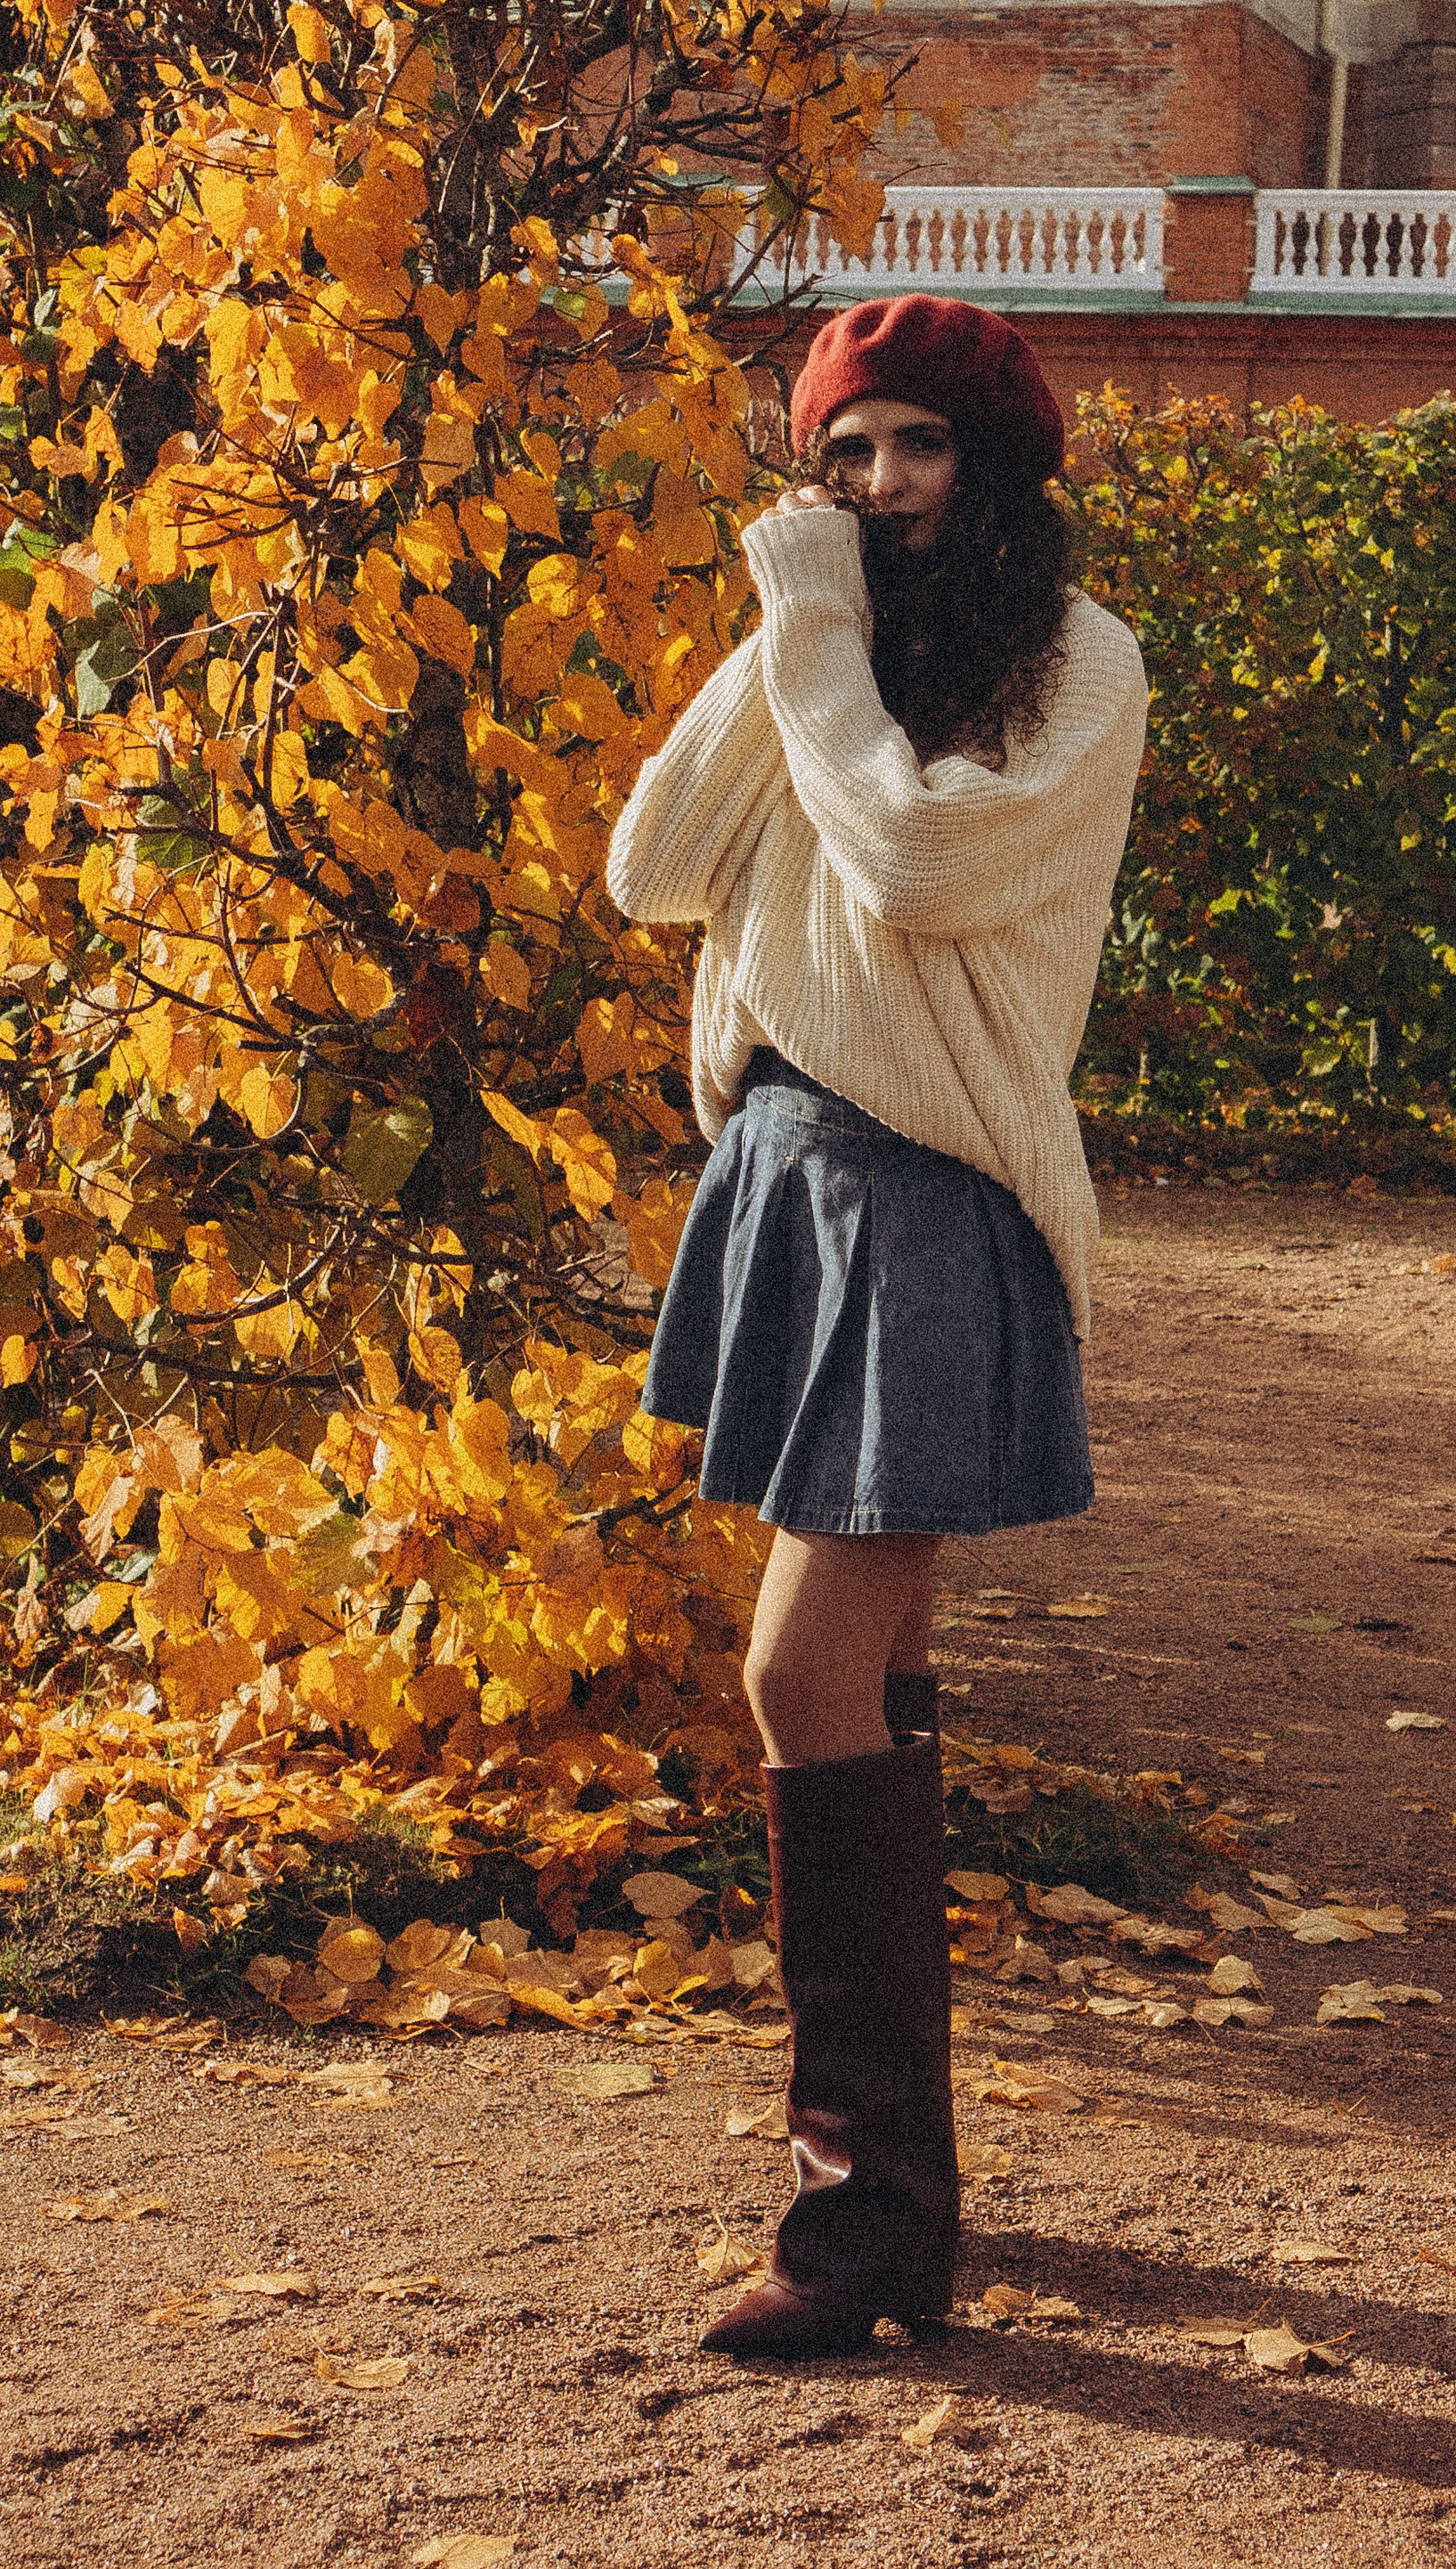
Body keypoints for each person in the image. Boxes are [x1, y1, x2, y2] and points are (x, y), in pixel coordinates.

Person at [606, 291, 1148, 2361]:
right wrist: (784, 637)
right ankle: (902, 2192)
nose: (881, 488)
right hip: (788, 1173)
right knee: (880, 1671)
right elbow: (656, 868)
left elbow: (915, 863)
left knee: (796, 1666)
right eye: (847, 453)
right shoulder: (822, 647)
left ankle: (857, 2221)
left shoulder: (1078, 669)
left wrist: (813, 640)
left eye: (921, 447)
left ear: (996, 469)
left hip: (934, 1197)